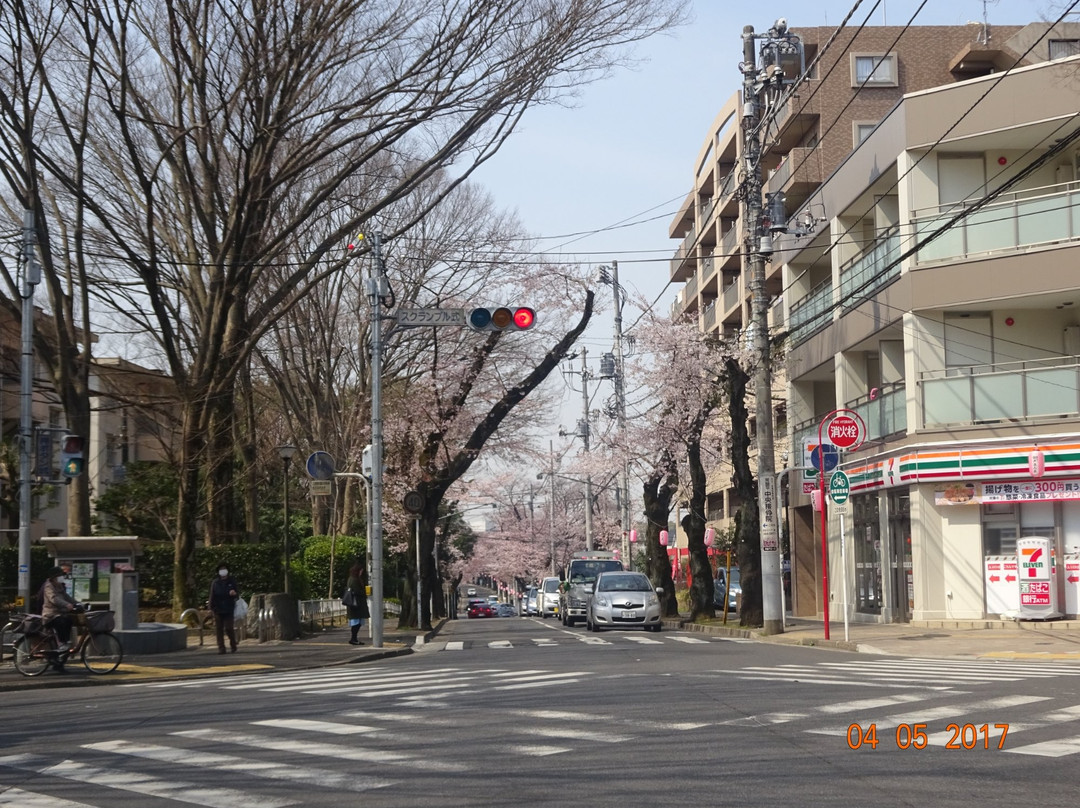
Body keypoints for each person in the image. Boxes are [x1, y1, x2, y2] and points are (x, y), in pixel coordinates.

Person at [41, 566, 79, 652]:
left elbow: (66, 596)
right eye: (60, 575)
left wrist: (77, 603)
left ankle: (67, 641)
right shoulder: (48, 586)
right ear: (54, 578)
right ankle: (62, 643)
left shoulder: (59, 586)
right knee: (61, 621)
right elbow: (54, 599)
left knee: (69, 620)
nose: (62, 577)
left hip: (60, 613)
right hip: (50, 615)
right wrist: (66, 604)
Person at [208, 563, 240, 654]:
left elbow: (237, 594)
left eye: (224, 569)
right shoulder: (215, 582)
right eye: (221, 569)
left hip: (229, 608)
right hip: (218, 608)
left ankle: (233, 644)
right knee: (219, 629)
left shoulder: (231, 581)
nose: (223, 571)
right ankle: (221, 648)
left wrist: (234, 594)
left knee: (229, 628)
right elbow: (212, 595)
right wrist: (210, 607)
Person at [345, 559, 370, 645]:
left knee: (357, 622)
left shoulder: (352, 579)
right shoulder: (354, 580)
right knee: (356, 622)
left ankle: (354, 638)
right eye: (361, 570)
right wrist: (363, 592)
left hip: (355, 604)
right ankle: (353, 638)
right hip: (356, 604)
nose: (362, 572)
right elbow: (356, 591)